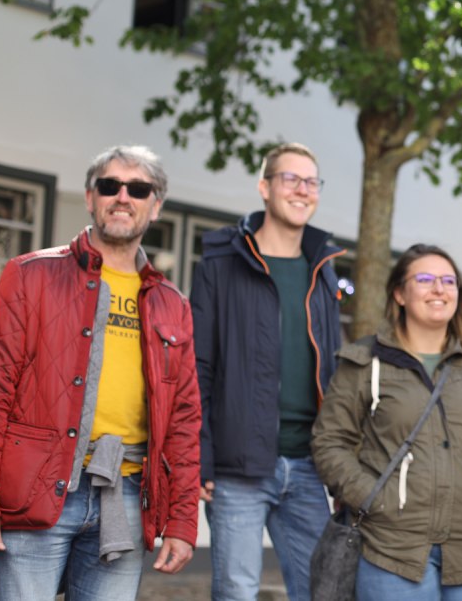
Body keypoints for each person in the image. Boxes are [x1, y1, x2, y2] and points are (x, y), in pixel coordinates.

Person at [0, 145, 200, 600]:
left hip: (127, 497)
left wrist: (182, 519)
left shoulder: (172, 304)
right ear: (90, 197)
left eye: (138, 189)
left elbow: (184, 421)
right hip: (34, 489)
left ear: (156, 206)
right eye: (109, 186)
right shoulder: (29, 275)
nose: (122, 196)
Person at [312, 244, 462, 600]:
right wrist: (372, 500)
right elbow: (330, 443)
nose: (438, 289)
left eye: (448, 281)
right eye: (424, 279)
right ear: (399, 293)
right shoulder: (365, 362)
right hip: (393, 550)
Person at [191, 142, 345, 601]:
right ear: (264, 187)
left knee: (324, 590)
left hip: (308, 465)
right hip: (238, 465)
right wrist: (200, 454)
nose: (302, 189)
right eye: (290, 179)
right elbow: (197, 365)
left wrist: (340, 466)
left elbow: (334, 373)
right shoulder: (222, 262)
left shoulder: (322, 269)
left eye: (311, 181)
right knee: (236, 591)